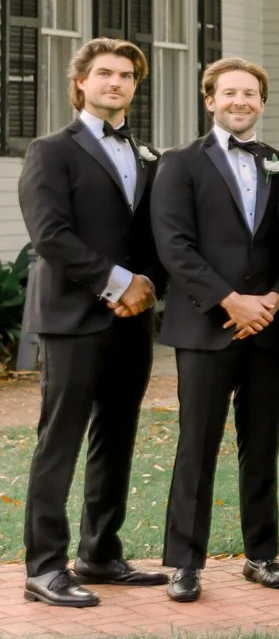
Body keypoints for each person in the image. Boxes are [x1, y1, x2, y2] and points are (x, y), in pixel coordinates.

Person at [18, 39, 170, 607]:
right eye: (104, 73)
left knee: (117, 436)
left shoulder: (149, 155)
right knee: (59, 440)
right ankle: (45, 566)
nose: (116, 83)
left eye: (127, 75)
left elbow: (161, 235)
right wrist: (117, 283)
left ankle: (101, 553)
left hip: (133, 321)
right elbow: (50, 234)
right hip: (73, 316)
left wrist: (148, 285)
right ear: (80, 82)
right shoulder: (49, 150)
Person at [152, 58, 279, 603]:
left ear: (262, 101)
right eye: (229, 92)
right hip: (206, 326)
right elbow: (174, 244)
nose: (241, 101)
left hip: (269, 329)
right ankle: (185, 563)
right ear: (209, 100)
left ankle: (261, 555)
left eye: (251, 93)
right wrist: (230, 301)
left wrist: (275, 300)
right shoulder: (180, 163)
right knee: (198, 445)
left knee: (261, 446)